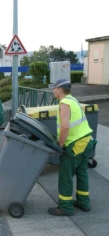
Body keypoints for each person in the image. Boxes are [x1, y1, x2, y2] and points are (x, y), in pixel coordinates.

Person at [47, 79, 97, 216]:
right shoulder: (72, 100)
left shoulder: (64, 103)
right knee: (81, 173)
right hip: (87, 141)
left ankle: (65, 207)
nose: (53, 90)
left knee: (65, 175)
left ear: (60, 90)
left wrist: (60, 145)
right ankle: (83, 202)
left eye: (54, 88)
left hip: (76, 144)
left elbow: (65, 127)